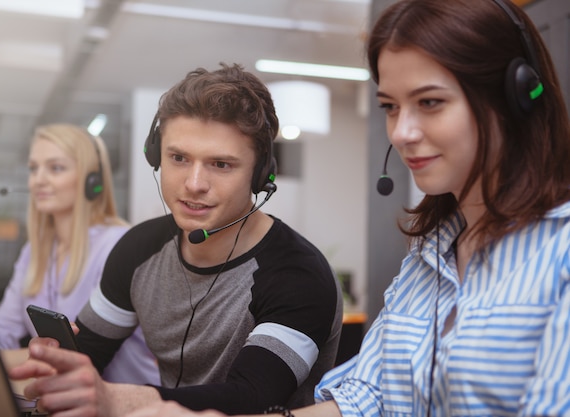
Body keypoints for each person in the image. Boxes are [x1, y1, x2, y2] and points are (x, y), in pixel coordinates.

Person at [122, 0, 570, 416]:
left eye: (429, 102)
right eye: (391, 107)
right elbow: (364, 397)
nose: (402, 132)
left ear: (517, 95)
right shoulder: (428, 259)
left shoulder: (560, 253)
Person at [8, 63, 343, 416]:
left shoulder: (299, 275)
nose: (194, 183)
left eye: (221, 164)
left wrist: (116, 400)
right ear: (157, 157)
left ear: (260, 175)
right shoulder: (139, 249)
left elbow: (252, 399)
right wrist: (58, 367)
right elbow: (88, 354)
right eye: (179, 158)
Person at [0, 123, 160, 385]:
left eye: (55, 168)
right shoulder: (34, 252)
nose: (39, 180)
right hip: (65, 401)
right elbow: (1, 333)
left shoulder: (118, 244)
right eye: (34, 168)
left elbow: (80, 355)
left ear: (92, 182)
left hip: (123, 402)